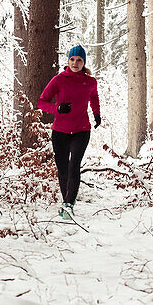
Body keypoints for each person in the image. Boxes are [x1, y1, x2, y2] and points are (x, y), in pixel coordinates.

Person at [37, 45, 101, 220]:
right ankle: (66, 201)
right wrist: (56, 108)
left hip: (81, 130)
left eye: (79, 60)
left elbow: (94, 97)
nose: (75, 63)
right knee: (63, 169)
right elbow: (41, 102)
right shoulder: (59, 80)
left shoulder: (90, 82)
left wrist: (96, 114)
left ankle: (68, 204)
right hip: (60, 132)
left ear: (84, 62)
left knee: (74, 166)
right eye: (72, 59)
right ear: (68, 61)